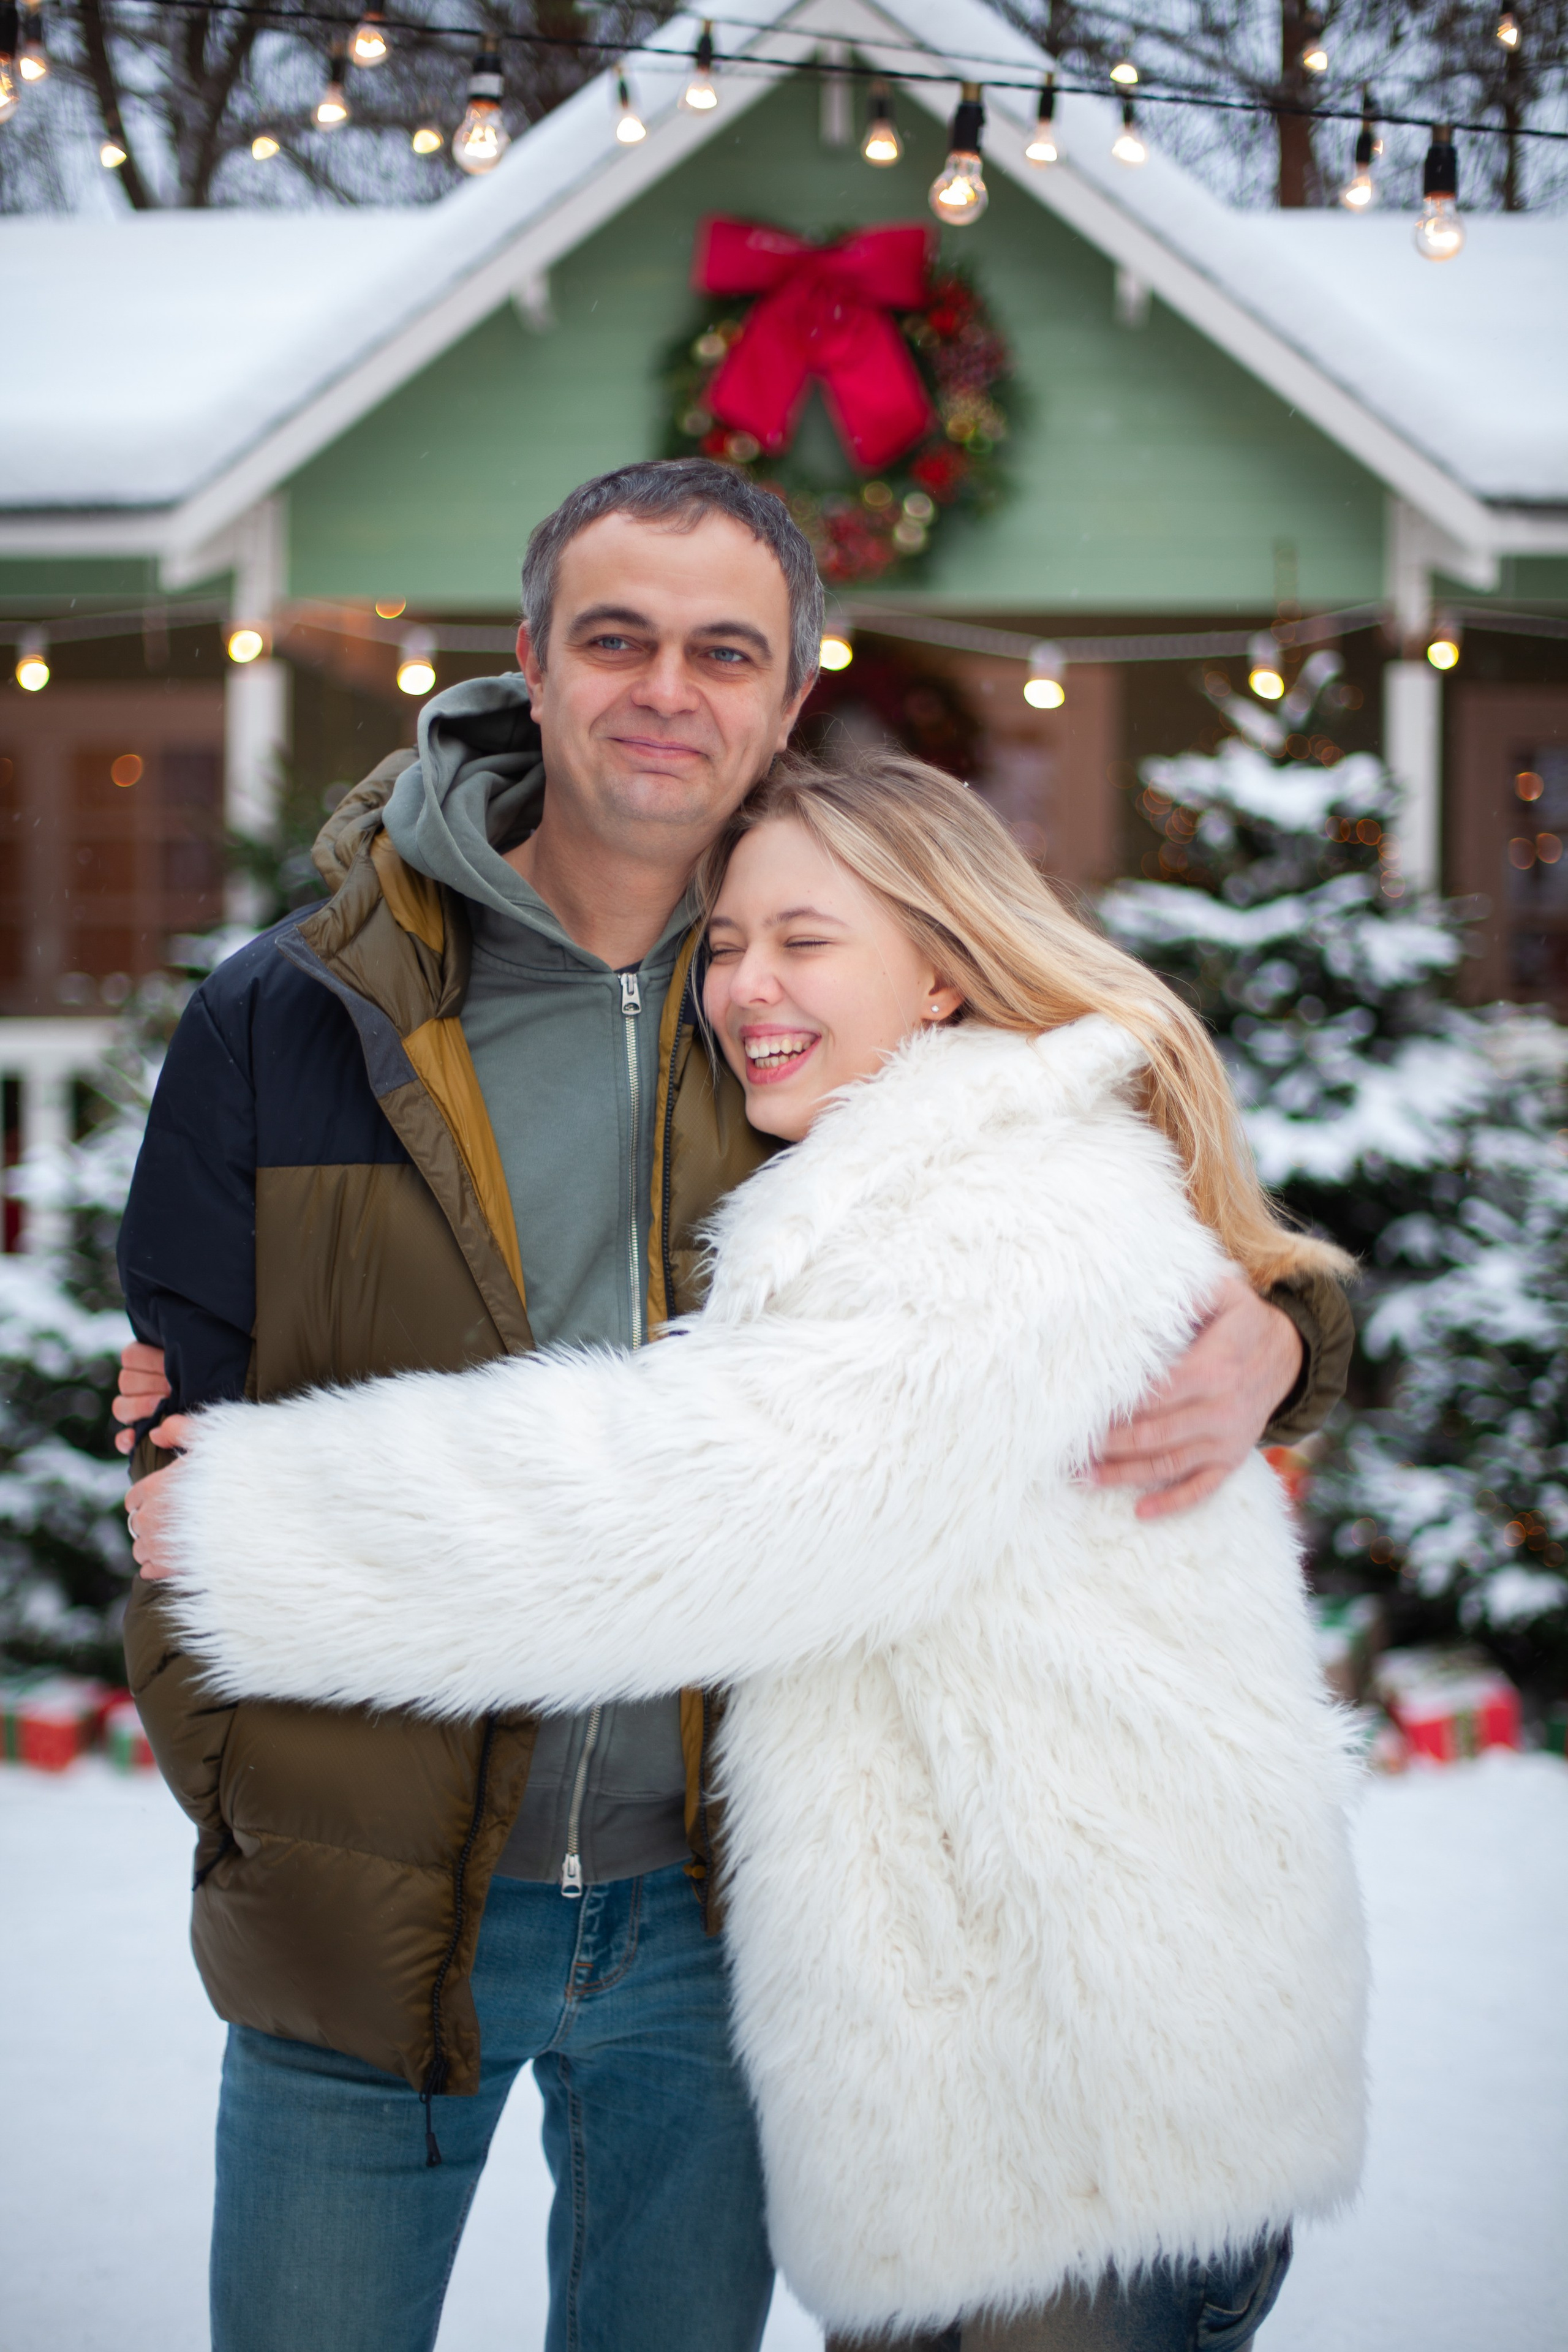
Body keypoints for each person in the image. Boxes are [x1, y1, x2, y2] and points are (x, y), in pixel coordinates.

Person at [115, 458, 1352, 2352]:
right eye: (613, 638)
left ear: (791, 693)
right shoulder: (300, 1014)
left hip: (739, 1934)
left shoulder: (866, 1050)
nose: (663, 690)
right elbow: (173, 1416)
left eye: (724, 651)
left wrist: (1285, 1326)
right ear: (526, 664)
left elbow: (845, 1422)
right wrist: (260, 1789)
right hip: (370, 1908)